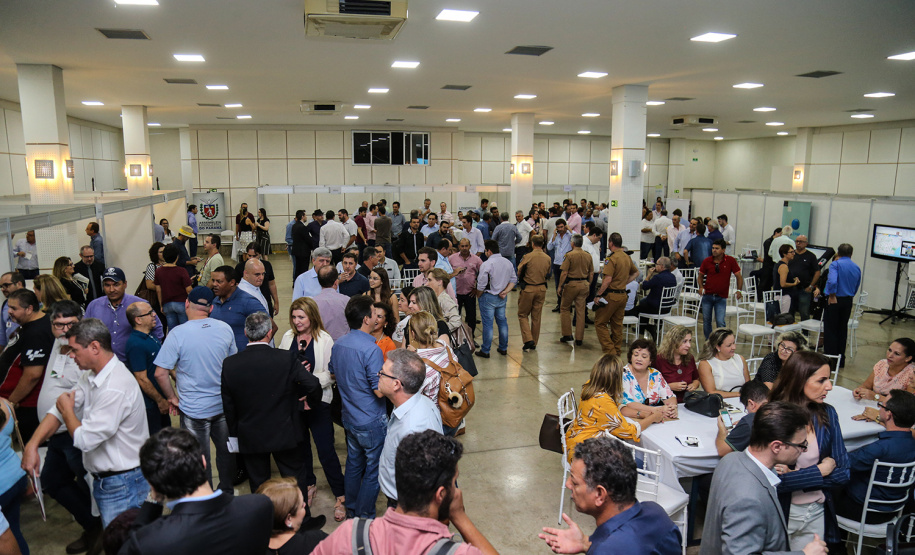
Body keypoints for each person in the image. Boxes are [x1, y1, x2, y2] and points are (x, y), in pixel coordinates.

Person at [22, 318, 150, 527]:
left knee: (126, 545)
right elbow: (58, 410)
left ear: (94, 347)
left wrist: (68, 410)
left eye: (74, 350)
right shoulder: (91, 376)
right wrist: (32, 445)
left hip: (124, 484)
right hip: (109, 480)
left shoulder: (114, 387)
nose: (70, 356)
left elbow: (85, 439)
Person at [313, 430, 497, 555]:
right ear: (441, 494)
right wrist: (459, 515)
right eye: (453, 483)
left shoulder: (351, 533)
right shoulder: (455, 552)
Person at [117, 427, 273, 555]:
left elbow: (128, 547)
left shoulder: (153, 541)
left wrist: (154, 497)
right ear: (204, 462)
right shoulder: (259, 507)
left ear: (154, 485)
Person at [700, 401, 829, 555]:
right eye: (801, 445)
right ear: (776, 446)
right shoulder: (748, 499)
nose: (804, 449)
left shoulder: (731, 459)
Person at [221, 312, 322, 501]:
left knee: (259, 483)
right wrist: (310, 403)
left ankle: (264, 521)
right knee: (294, 478)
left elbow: (229, 407)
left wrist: (235, 435)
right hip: (286, 431)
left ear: (245, 332)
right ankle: (302, 521)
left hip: (250, 434)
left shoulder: (230, 364)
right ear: (269, 333)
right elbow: (313, 385)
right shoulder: (286, 358)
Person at [153, 286, 238, 493]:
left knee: (199, 458)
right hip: (223, 407)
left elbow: (160, 373)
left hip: (193, 410)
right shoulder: (225, 328)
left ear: (187, 304)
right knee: (227, 453)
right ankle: (226, 492)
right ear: (210, 309)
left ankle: (205, 496)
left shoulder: (177, 334)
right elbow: (234, 364)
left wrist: (172, 398)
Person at [35, 300, 102, 553]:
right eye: (58, 324)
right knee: (53, 481)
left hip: (75, 433)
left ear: (80, 322)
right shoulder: (59, 343)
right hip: (57, 434)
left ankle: (105, 530)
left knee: (92, 486)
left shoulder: (82, 349)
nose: (63, 330)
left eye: (69, 324)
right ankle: (93, 527)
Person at [539, 435, 681, 555]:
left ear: (600, 494)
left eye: (575, 483)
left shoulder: (607, 550)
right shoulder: (655, 511)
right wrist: (586, 544)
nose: (568, 484)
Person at [768, 351, 849, 550]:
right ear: (799, 380)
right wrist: (819, 471)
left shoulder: (827, 413)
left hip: (816, 511)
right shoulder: (773, 415)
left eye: (828, 379)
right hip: (781, 511)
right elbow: (771, 482)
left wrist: (795, 477)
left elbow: (843, 473)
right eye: (821, 380)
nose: (829, 387)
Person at [278, 297, 346, 522]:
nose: (296, 322)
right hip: (294, 404)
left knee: (326, 451)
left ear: (312, 317)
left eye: (301, 317)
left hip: (318, 403)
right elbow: (281, 367)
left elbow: (331, 374)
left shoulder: (324, 339)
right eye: (294, 317)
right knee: (301, 448)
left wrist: (306, 379)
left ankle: (341, 494)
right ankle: (309, 483)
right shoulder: (288, 337)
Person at [329, 295, 386, 519]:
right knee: (374, 469)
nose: (376, 317)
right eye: (373, 313)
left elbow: (332, 370)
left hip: (349, 417)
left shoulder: (339, 343)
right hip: (370, 419)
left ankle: (351, 508)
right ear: (366, 319)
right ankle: (364, 515)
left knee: (354, 463)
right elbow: (379, 390)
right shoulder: (371, 350)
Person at [378, 349, 444, 505]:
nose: (378, 375)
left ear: (396, 384)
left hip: (406, 504)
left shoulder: (414, 429)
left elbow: (426, 481)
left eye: (382, 373)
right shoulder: (412, 401)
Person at [566, 355, 662, 460]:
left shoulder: (591, 386)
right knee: (641, 461)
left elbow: (614, 406)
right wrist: (653, 417)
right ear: (615, 378)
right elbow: (630, 432)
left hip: (576, 438)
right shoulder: (602, 401)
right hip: (586, 451)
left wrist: (640, 414)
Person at [840, 389, 915, 523]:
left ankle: (833, 540)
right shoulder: (910, 444)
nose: (879, 408)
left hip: (865, 510)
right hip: (896, 508)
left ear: (888, 415)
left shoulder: (879, 449)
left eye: (881, 405)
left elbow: (842, 463)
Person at [0, 289, 55, 442]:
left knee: (31, 450)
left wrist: (12, 402)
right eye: (9, 307)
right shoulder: (29, 324)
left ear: (29, 309)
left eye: (14, 308)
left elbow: (32, 375)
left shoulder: (37, 332)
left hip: (27, 405)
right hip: (19, 403)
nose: (9, 312)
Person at [125, 301, 171, 436]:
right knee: (156, 442)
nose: (154, 315)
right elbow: (142, 379)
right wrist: (160, 400)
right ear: (138, 320)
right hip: (150, 405)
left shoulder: (151, 336)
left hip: (160, 400)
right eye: (150, 313)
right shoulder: (136, 344)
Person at [594, 233, 639, 356]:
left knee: (600, 322)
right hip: (623, 295)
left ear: (611, 243)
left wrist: (598, 294)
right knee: (617, 325)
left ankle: (610, 351)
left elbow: (607, 280)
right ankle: (617, 351)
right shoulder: (626, 257)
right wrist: (623, 282)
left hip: (611, 296)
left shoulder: (611, 259)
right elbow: (636, 273)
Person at [258, 477, 328, 555]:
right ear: (289, 519)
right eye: (301, 505)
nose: (305, 505)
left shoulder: (250, 545)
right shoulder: (316, 540)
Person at [618, 338, 678, 423]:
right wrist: (655, 410)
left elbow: (669, 396)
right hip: (628, 420)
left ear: (650, 361)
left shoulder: (655, 374)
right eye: (636, 355)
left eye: (644, 356)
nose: (639, 359)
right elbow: (628, 403)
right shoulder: (623, 374)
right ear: (630, 357)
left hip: (653, 420)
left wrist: (672, 408)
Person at [474, 240, 516, 358]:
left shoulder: (487, 264)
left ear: (489, 251)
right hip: (502, 297)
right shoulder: (508, 263)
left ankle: (486, 350)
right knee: (502, 322)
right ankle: (503, 347)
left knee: (488, 324)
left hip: (488, 296)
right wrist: (505, 291)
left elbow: (481, 284)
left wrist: (478, 294)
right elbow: (513, 280)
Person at [209, 265, 264, 351]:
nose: (214, 284)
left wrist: (256, 352)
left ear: (232, 282)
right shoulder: (215, 301)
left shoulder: (248, 302)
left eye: (219, 281)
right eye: (213, 281)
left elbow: (270, 326)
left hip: (243, 359)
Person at [822, 243, 861, 364]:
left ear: (838, 253)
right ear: (851, 254)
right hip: (848, 300)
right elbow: (857, 284)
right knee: (842, 329)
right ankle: (840, 360)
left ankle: (830, 360)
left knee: (830, 330)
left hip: (835, 299)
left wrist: (832, 295)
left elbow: (832, 281)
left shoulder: (836, 264)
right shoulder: (856, 267)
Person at [0, 394, 29, 554]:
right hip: (15, 476)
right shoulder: (4, 402)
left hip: (1, 487)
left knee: (4, 537)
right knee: (14, 531)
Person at [699, 239, 743, 339]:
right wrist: (701, 287)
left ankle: (721, 342)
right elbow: (700, 276)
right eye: (713, 248)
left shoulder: (730, 260)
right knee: (706, 321)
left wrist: (739, 290)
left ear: (723, 250)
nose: (714, 250)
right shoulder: (707, 261)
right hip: (707, 296)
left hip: (721, 297)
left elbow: (739, 276)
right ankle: (709, 341)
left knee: (720, 321)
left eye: (717, 248)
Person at [715, 379, 770, 457]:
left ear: (751, 403)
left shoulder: (750, 421)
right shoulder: (779, 410)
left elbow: (723, 451)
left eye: (746, 408)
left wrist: (721, 430)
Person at [628, 257, 677, 341]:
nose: (655, 266)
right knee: (643, 303)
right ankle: (643, 328)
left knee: (635, 310)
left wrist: (649, 275)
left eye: (656, 264)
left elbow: (644, 286)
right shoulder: (673, 277)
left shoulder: (658, 278)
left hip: (655, 308)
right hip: (666, 308)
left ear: (661, 266)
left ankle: (648, 327)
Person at [517, 235, 551, 352]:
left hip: (529, 289)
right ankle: (534, 342)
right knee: (536, 317)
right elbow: (548, 272)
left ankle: (528, 339)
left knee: (522, 314)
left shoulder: (527, 256)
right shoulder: (547, 258)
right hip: (541, 288)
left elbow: (519, 270)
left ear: (532, 243)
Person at [558, 235, 593, 347]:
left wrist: (560, 286)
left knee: (565, 308)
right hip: (584, 284)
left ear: (572, 243)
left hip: (571, 285)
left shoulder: (569, 255)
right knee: (580, 311)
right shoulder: (588, 256)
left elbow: (564, 273)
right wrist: (588, 284)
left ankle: (567, 334)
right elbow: (591, 273)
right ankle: (579, 338)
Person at [697, 328, 749, 398]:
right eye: (729, 345)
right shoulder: (706, 364)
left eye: (734, 343)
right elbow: (711, 392)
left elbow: (748, 386)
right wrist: (738, 394)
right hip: (718, 402)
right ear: (718, 347)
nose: (734, 347)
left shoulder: (740, 359)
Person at [655, 325, 700, 403]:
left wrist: (694, 385)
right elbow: (649, 387)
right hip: (665, 403)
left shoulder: (690, 358)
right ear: (673, 342)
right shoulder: (658, 360)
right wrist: (669, 386)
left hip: (687, 402)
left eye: (690, 341)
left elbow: (696, 379)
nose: (689, 345)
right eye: (684, 341)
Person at [449, 238, 483, 334]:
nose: (464, 248)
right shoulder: (452, 258)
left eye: (466, 246)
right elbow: (446, 273)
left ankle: (471, 339)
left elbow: (483, 274)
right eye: (462, 246)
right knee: (455, 317)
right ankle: (456, 339)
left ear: (470, 246)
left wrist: (477, 288)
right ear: (459, 246)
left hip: (470, 293)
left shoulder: (477, 260)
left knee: (471, 318)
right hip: (455, 293)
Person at [154, 244, 192, 330]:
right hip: (181, 304)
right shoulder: (181, 271)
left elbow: (158, 290)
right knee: (184, 330)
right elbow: (189, 290)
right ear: (177, 257)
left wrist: (161, 305)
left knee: (172, 331)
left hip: (167, 304)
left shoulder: (158, 271)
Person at [311, 266, 350, 341]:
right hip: (343, 343)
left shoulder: (312, 303)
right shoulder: (347, 301)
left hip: (320, 344)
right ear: (336, 282)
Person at [788, 235, 821, 322]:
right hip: (790, 288)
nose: (798, 243)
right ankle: (790, 330)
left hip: (804, 289)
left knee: (804, 312)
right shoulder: (791, 255)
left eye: (801, 242)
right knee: (789, 311)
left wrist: (811, 286)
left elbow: (817, 272)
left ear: (806, 244)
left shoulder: (811, 256)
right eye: (797, 241)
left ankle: (805, 332)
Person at [546, 219, 572, 308]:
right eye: (558, 227)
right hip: (557, 263)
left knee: (567, 285)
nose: (560, 229)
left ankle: (566, 305)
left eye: (562, 227)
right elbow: (549, 247)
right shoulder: (556, 236)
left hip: (567, 264)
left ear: (565, 226)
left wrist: (570, 230)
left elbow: (577, 240)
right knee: (558, 285)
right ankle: (559, 303)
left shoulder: (570, 235)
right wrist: (553, 236)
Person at [773, 243, 802, 316]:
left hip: (780, 295)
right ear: (784, 254)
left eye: (793, 251)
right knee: (783, 317)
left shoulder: (780, 264)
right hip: (783, 296)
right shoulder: (783, 266)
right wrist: (794, 284)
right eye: (791, 252)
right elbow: (783, 284)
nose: (793, 254)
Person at [0, 273, 25, 354]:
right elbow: (2, 333)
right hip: (10, 351)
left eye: (6, 285)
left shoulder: (33, 302)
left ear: (19, 284)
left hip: (26, 349)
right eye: (1, 287)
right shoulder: (5, 305)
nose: (3, 289)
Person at [290, 210, 312, 281]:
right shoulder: (303, 227)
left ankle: (296, 282)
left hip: (296, 251)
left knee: (297, 269)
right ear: (302, 217)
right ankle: (303, 283)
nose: (306, 217)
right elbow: (307, 239)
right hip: (304, 252)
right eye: (305, 216)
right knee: (304, 269)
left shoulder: (294, 226)